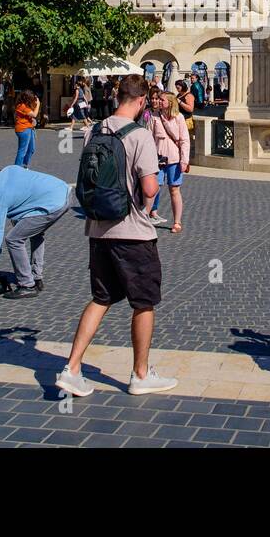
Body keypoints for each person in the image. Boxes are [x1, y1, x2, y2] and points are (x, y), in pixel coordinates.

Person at [56, 74, 177, 398]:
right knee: (144, 302)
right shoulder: (139, 135)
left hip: (98, 229)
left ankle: (72, 368)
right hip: (133, 232)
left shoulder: (94, 130)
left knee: (101, 298)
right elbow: (150, 187)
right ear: (140, 102)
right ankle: (140, 374)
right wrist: (147, 200)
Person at [0, 165, 72, 299]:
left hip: (53, 204)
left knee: (13, 239)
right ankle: (36, 278)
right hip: (63, 191)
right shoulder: (6, 172)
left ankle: (27, 285)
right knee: (34, 232)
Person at [148, 90, 190, 233]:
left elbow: (185, 140)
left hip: (174, 159)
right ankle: (145, 218)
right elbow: (148, 139)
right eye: (158, 99)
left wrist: (184, 160)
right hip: (157, 159)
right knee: (153, 189)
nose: (159, 102)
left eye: (162, 100)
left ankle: (177, 222)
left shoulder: (179, 118)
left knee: (174, 190)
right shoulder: (153, 117)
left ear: (170, 103)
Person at [13, 89, 39, 167]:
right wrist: (38, 104)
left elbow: (30, 115)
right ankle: (17, 168)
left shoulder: (25, 105)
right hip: (23, 129)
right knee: (22, 150)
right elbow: (34, 114)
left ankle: (24, 165)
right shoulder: (22, 106)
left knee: (31, 149)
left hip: (29, 128)